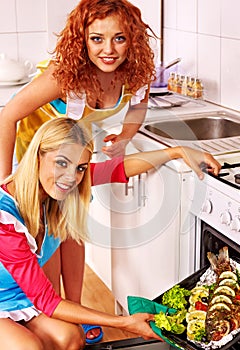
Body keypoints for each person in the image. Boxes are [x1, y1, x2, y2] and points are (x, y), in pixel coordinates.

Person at [0, 0, 221, 342]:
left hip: (70, 155)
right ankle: (42, 310)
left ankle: (70, 309)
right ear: (82, 40)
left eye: (119, 38)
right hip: (37, 152)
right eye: (97, 39)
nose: (108, 49)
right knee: (38, 251)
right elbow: (7, 116)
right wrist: (4, 181)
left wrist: (136, 139)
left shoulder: (134, 74)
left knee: (68, 227)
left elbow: (131, 128)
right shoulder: (65, 75)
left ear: (132, 39)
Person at [0, 117, 220, 349]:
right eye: (61, 163)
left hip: (22, 299)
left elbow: (118, 169)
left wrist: (178, 151)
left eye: (80, 168)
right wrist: (125, 322)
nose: (71, 177)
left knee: (71, 338)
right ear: (37, 157)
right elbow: (47, 300)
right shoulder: (5, 220)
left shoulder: (57, 189)